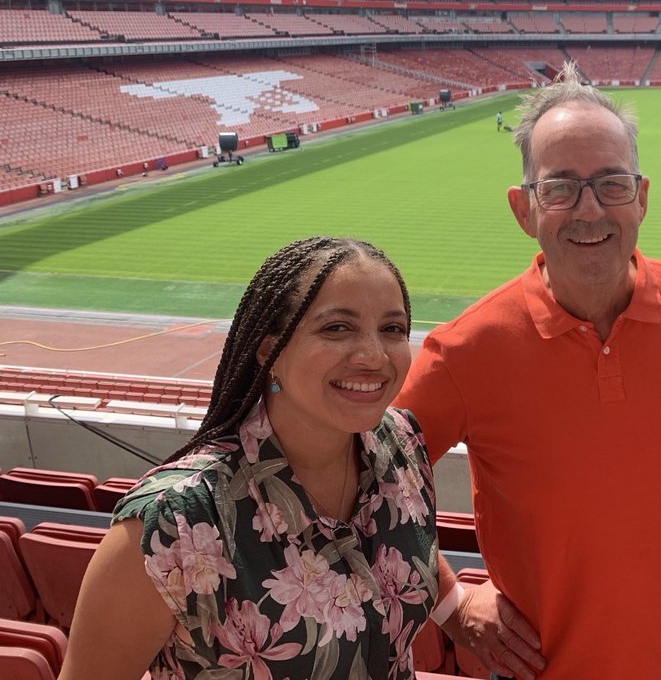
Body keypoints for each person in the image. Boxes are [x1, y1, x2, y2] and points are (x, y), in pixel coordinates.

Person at [396, 65, 661, 679]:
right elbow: (368, 480)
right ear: (524, 208)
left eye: (610, 184)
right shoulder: (467, 349)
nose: (590, 210)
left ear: (642, 196)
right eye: (561, 187)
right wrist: (451, 601)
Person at [60, 237, 453, 680]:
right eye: (337, 328)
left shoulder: (402, 445)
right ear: (270, 353)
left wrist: (459, 605)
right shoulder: (173, 526)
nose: (373, 355)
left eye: (392, 329)